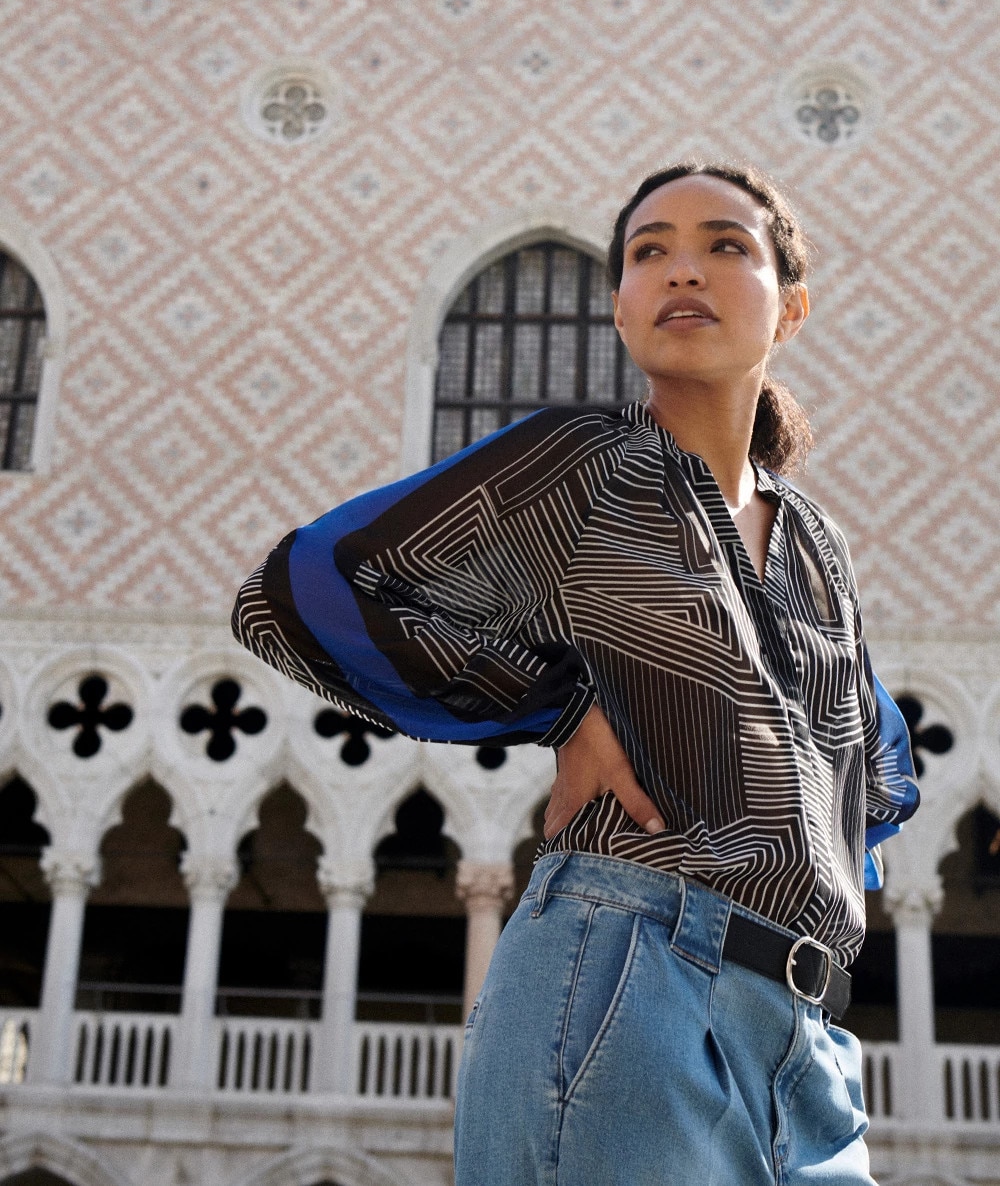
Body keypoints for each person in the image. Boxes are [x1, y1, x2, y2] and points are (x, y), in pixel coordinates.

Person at [232, 161, 919, 1185]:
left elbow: (874, 764)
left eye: (725, 246)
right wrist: (558, 707)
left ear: (791, 308)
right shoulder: (588, 463)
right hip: (626, 982)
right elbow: (301, 589)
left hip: (805, 1040)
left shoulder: (815, 540)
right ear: (621, 309)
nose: (682, 268)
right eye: (650, 252)